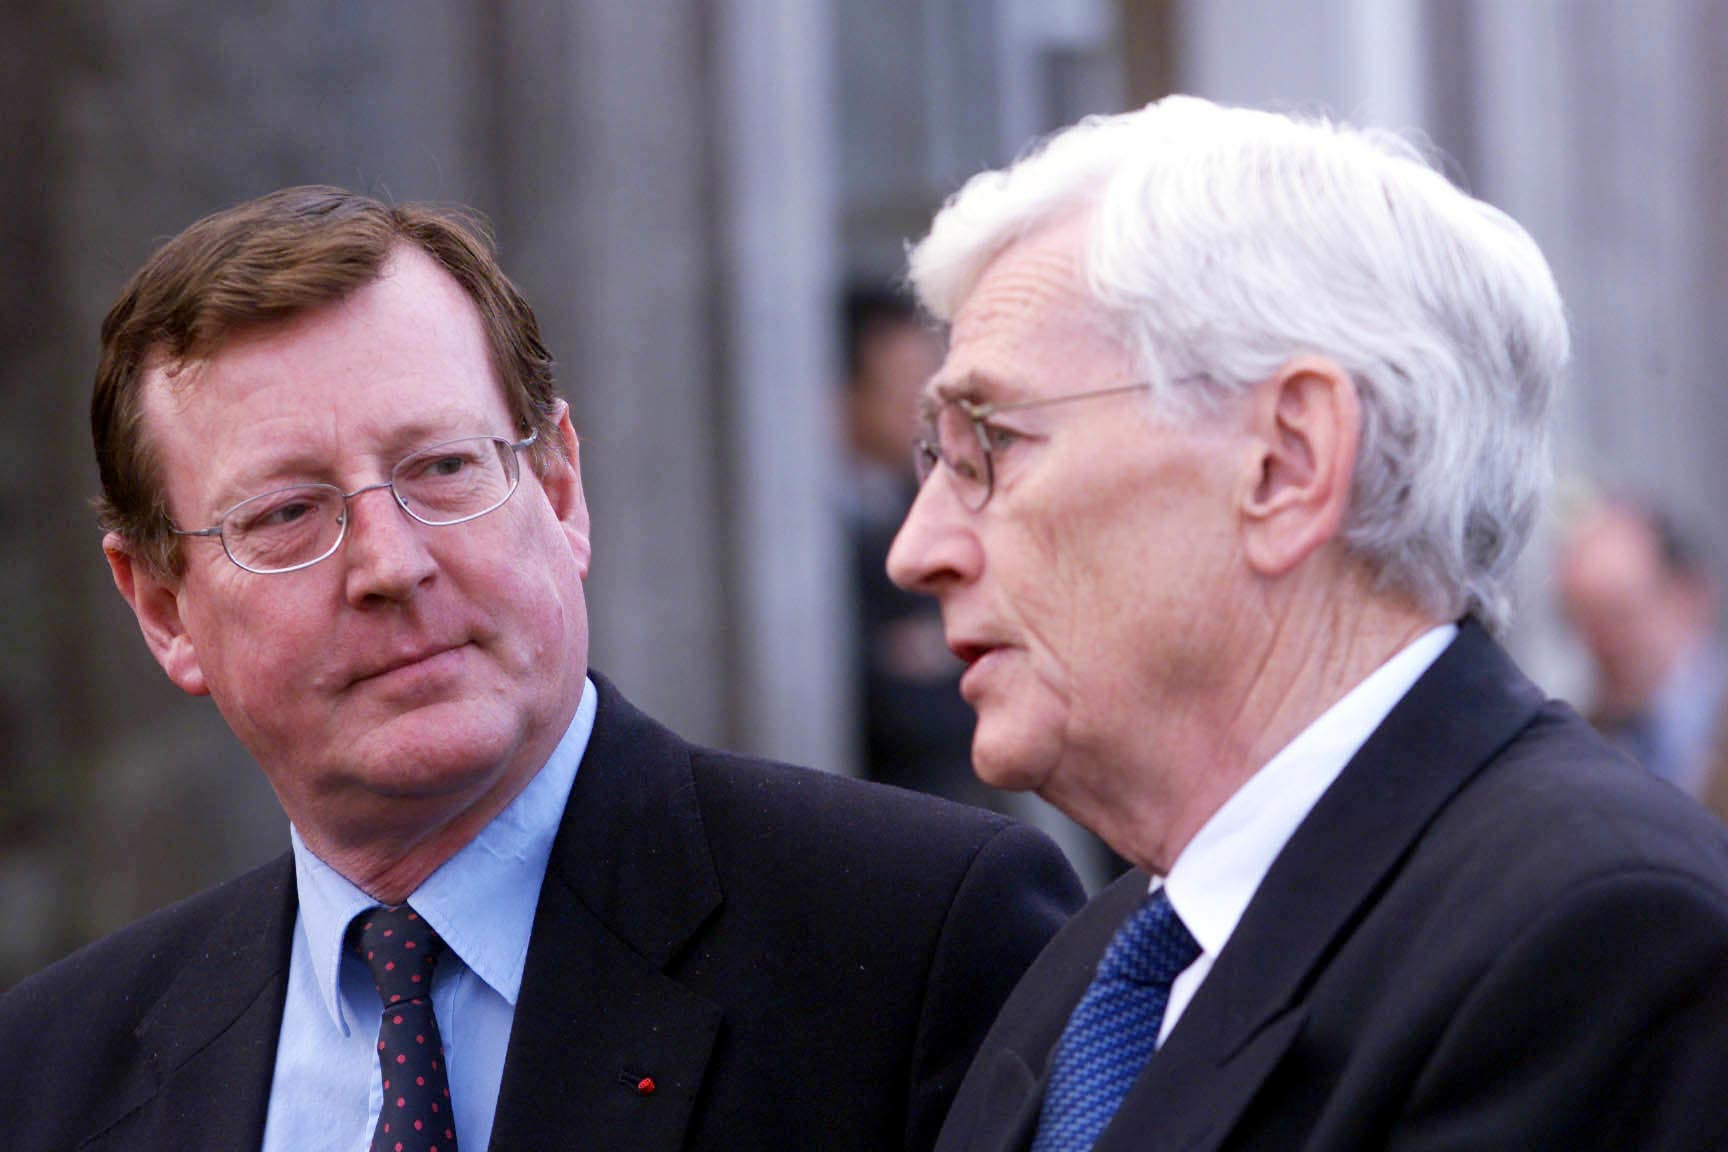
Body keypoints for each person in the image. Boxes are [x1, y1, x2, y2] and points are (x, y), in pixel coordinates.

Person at [0, 187, 1084, 1152]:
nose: (392, 563)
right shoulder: (51, 1072)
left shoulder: (912, 937)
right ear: (160, 607)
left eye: (443, 467)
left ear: (561, 492)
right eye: (286, 515)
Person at [887, 96, 1728, 1151]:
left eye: (991, 447)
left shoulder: (1601, 939)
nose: (918, 549)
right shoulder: (1108, 966)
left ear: (1286, 462)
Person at [839, 285, 984, 806]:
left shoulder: (943, 502)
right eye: (906, 394)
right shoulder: (816, 544)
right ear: (844, 397)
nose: (928, 418)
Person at [1558, 498, 1728, 811]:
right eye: (1584, 621)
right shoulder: (1577, 746)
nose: (1605, 643)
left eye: (1621, 612)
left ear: (1691, 597)